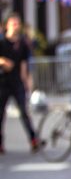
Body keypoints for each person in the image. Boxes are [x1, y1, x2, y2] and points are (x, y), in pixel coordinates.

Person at [0, 13, 41, 154]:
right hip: (3, 82)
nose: (16, 26)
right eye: (13, 24)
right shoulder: (2, 42)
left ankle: (34, 140)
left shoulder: (22, 44)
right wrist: (3, 61)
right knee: (1, 114)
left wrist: (27, 83)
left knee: (24, 112)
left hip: (16, 81)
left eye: (18, 24)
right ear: (7, 26)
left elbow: (24, 65)